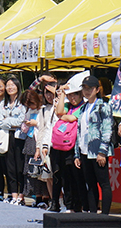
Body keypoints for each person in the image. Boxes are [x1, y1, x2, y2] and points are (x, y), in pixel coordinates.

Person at [46, 73, 86, 213]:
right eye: (70, 95)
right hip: (60, 147)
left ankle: (78, 206)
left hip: (74, 148)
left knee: (76, 179)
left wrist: (62, 116)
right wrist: (62, 93)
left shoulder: (83, 107)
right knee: (64, 178)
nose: (72, 98)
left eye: (74, 95)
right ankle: (68, 205)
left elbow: (69, 118)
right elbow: (59, 111)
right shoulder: (68, 104)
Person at [74, 75, 113, 214]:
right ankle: (92, 213)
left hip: (97, 151)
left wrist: (102, 151)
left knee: (103, 183)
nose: (86, 91)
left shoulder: (103, 106)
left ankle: (105, 215)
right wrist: (77, 154)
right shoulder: (83, 107)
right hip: (84, 151)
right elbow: (79, 131)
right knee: (90, 184)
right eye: (84, 88)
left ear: (97, 89)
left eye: (89, 88)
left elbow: (107, 129)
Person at [0, 76, 26, 205]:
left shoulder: (22, 103)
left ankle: (21, 196)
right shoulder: (3, 103)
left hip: (19, 137)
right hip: (6, 136)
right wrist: (9, 123)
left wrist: (6, 121)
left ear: (18, 86)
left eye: (13, 85)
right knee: (10, 168)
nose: (10, 87)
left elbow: (21, 121)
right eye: (8, 85)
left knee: (20, 167)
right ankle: (13, 195)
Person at [20, 90, 48, 208]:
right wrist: (25, 124)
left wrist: (35, 123)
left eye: (30, 104)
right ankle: (37, 196)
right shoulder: (29, 111)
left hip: (40, 141)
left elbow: (45, 126)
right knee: (32, 171)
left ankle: (46, 197)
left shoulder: (44, 109)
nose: (29, 107)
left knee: (42, 171)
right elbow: (24, 128)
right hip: (30, 140)